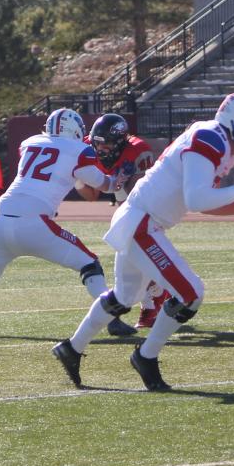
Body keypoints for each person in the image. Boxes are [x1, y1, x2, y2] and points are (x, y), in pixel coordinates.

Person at [53, 93, 234, 392]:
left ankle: (71, 348)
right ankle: (146, 356)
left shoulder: (219, 142)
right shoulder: (211, 137)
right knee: (190, 292)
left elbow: (202, 201)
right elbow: (197, 199)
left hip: (142, 218)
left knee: (124, 295)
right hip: (143, 222)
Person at [0, 109, 134, 338]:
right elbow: (103, 184)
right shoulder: (79, 150)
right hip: (35, 222)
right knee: (89, 263)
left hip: (1, 219)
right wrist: (119, 180)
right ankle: (112, 320)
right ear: (75, 130)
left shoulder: (29, 143)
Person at [85, 113, 164, 327]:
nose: (100, 150)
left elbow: (140, 197)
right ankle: (156, 296)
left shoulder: (138, 150)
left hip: (145, 202)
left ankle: (154, 299)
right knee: (132, 250)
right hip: (119, 194)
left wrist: (118, 187)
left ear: (120, 141)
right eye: (97, 144)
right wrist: (81, 179)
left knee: (134, 246)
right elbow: (89, 196)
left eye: (106, 145)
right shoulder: (86, 148)